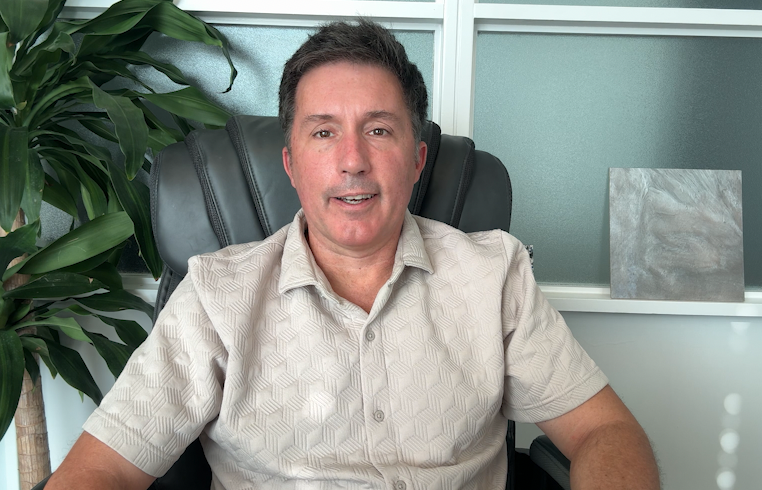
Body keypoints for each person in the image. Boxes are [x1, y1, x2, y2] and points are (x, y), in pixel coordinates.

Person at [46, 19, 660, 490]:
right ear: (291, 165)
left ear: (417, 160)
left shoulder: (494, 276)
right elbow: (102, 469)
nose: (352, 160)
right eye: (323, 132)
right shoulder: (215, 296)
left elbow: (604, 430)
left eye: (379, 129)